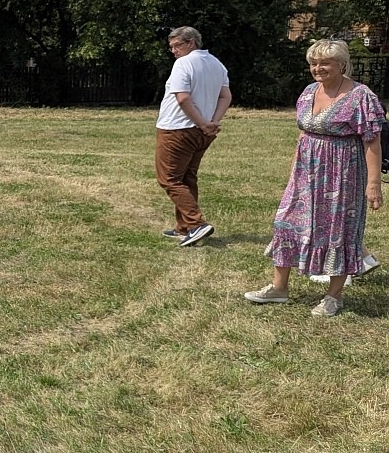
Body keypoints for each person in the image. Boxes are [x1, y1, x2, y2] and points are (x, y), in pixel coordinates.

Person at [245, 39, 384, 317]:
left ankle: (334, 296)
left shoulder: (361, 96)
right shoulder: (309, 92)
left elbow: (372, 141)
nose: (318, 68)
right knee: (286, 222)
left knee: (338, 230)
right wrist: (295, 170)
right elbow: (303, 134)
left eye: (325, 63)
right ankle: (279, 288)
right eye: (313, 63)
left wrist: (373, 183)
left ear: (341, 65)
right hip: (306, 171)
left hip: (343, 174)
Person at [155, 26, 232, 246]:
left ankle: (196, 224)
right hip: (202, 132)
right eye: (171, 47)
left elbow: (182, 99)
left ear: (191, 43)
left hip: (177, 129)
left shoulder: (184, 64)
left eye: (177, 45)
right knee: (187, 177)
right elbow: (225, 96)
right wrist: (212, 122)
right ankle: (184, 227)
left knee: (169, 179)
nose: (173, 51)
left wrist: (203, 122)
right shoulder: (216, 63)